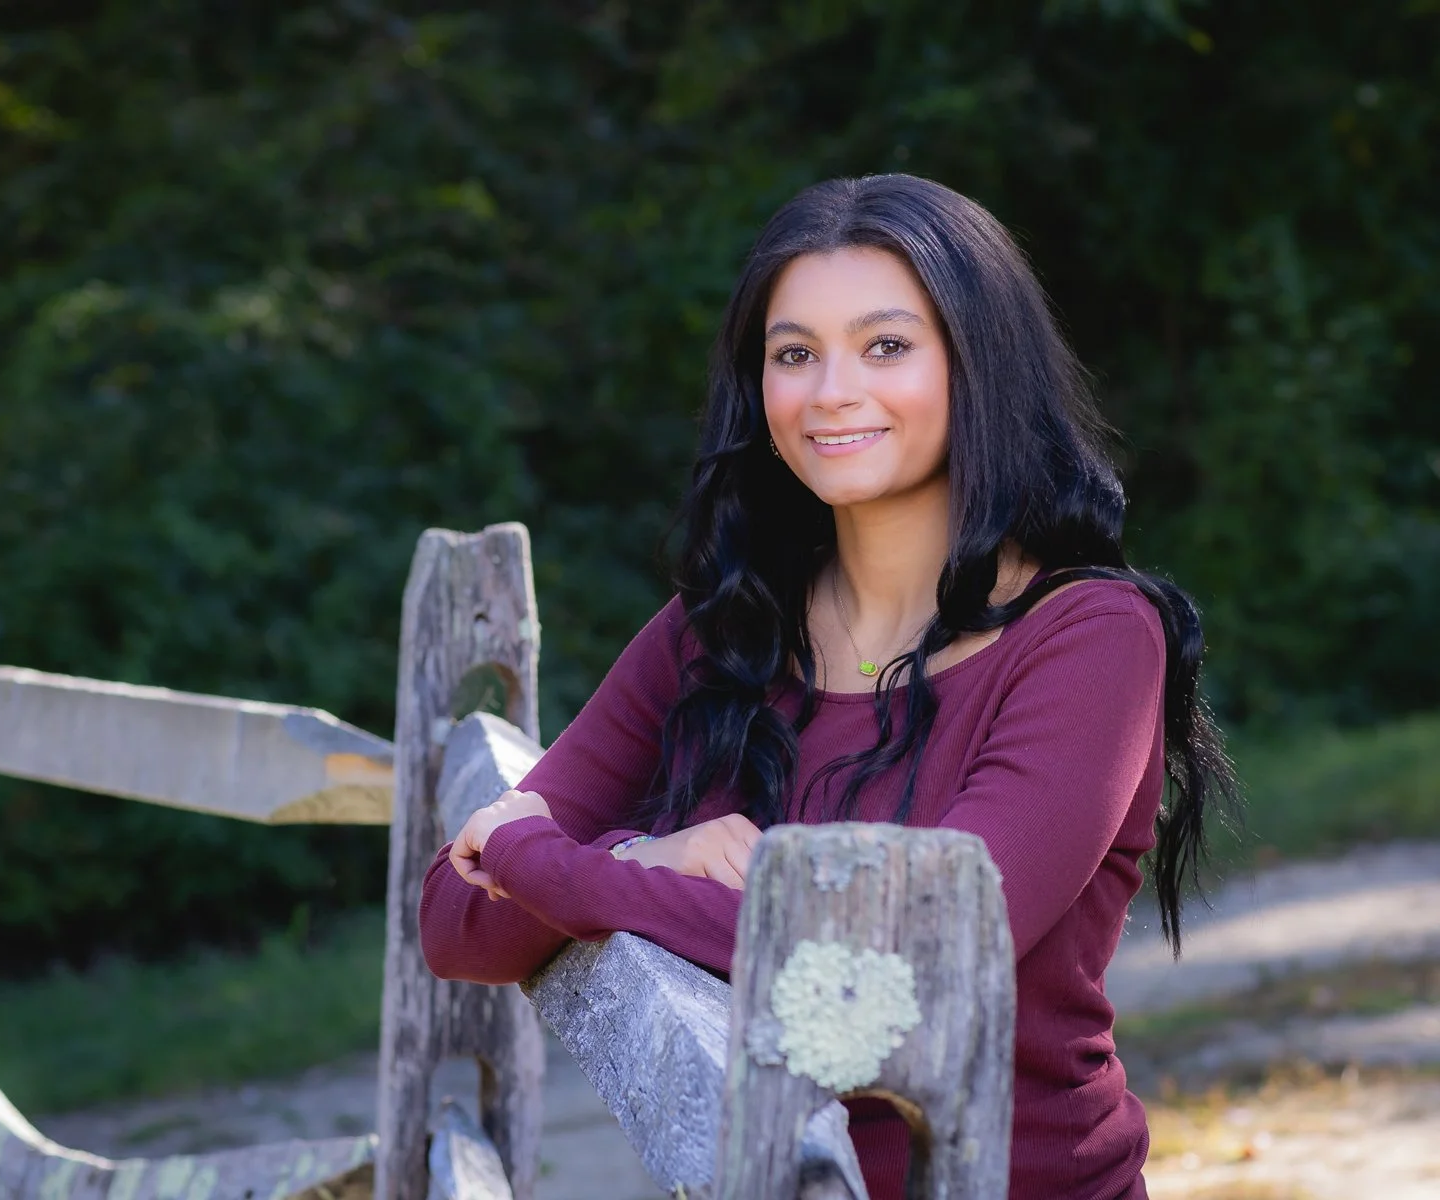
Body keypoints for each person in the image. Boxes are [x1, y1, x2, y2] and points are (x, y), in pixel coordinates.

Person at [417, 174, 1237, 1199]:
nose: (831, 391)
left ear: (978, 365)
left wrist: (573, 867)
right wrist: (656, 857)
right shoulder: (719, 631)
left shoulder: (1091, 639)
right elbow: (456, 922)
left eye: (885, 345)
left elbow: (913, 960)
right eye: (794, 353)